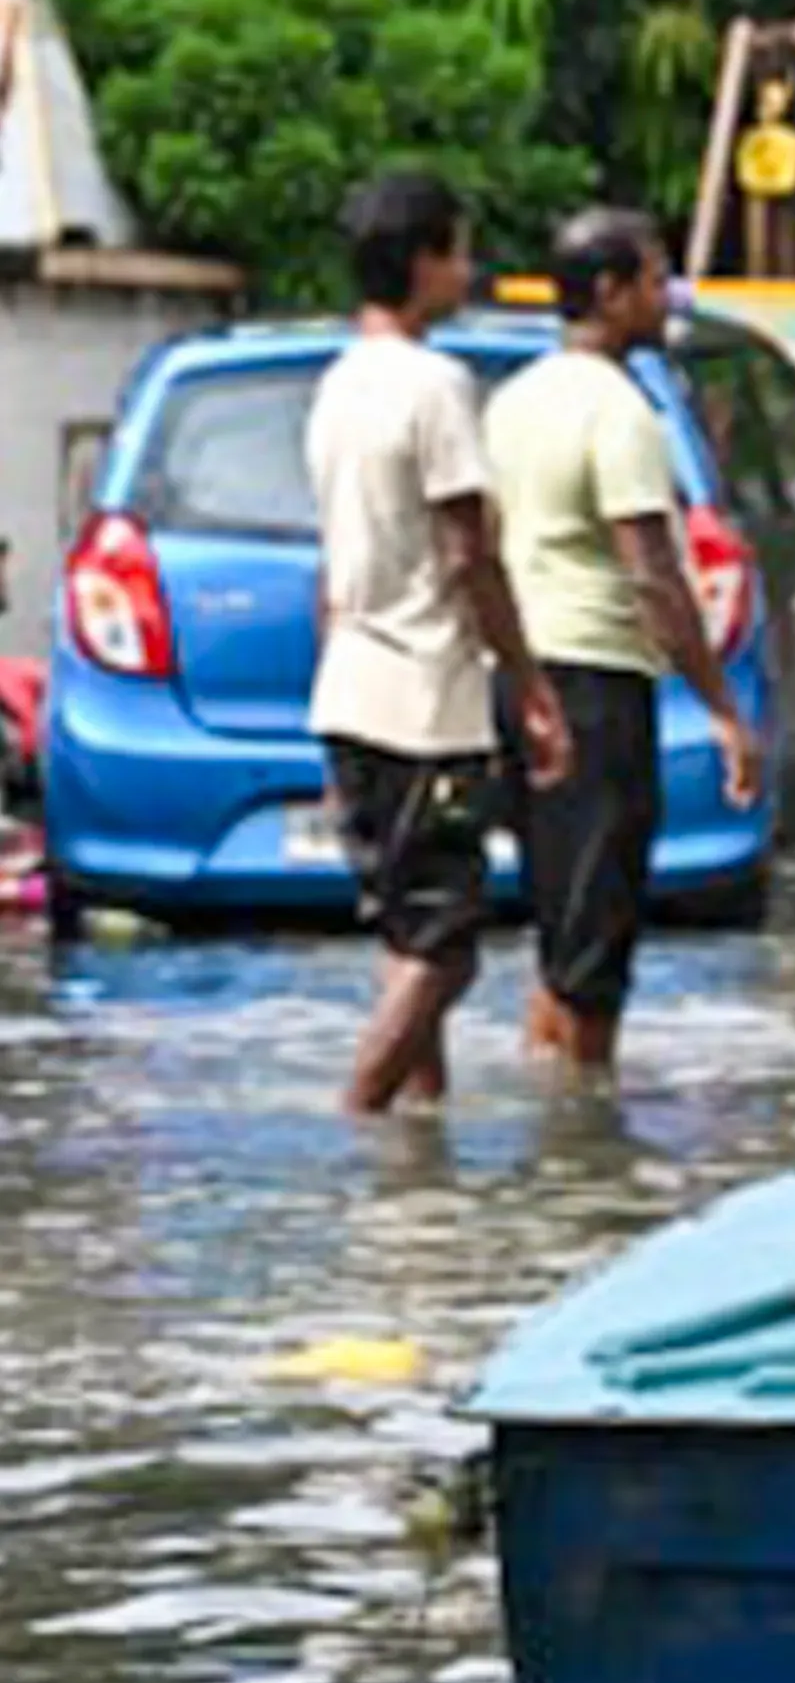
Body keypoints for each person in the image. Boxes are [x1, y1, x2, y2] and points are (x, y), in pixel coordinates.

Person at [305, 171, 572, 1116]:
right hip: (426, 704)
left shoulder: (338, 384)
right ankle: (362, 1110)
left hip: (348, 694)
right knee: (447, 946)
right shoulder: (435, 384)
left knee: (403, 932)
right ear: (423, 263)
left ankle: (417, 1138)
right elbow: (471, 552)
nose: (469, 270)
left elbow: (331, 560)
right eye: (458, 251)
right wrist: (531, 682)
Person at [482, 207, 765, 1079]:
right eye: (653, 279)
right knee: (596, 934)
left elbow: (490, 539)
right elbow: (652, 571)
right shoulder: (620, 412)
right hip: (597, 685)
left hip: (523, 678)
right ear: (609, 292)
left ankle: (554, 1110)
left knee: (559, 924)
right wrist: (722, 708)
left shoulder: (514, 399)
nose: (664, 296)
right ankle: (584, 1134)